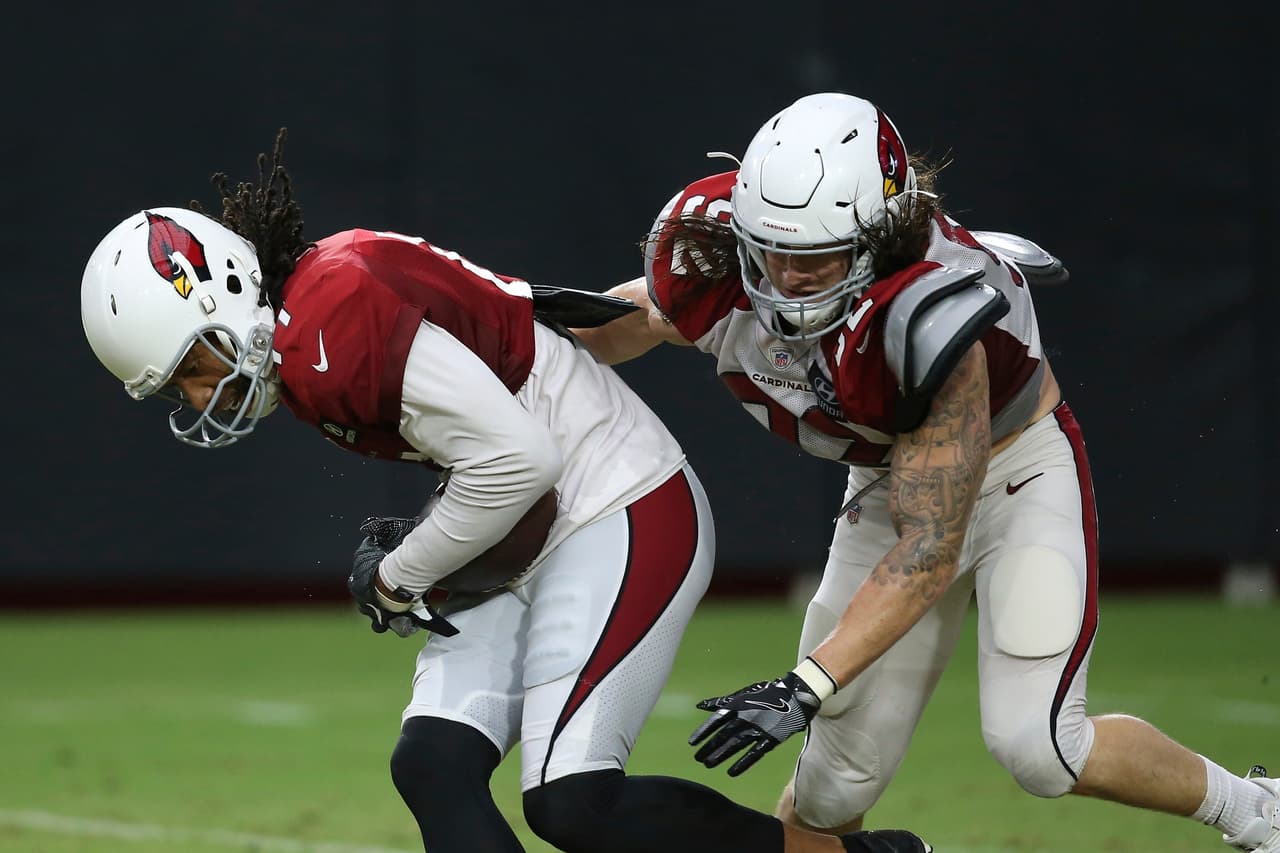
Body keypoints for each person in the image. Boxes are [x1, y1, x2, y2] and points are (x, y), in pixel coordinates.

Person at [78, 130, 932, 853]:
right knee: (433, 765)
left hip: (619, 502)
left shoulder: (328, 320)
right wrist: (429, 548)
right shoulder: (311, 318)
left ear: (226, 291)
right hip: (535, 520)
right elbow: (498, 448)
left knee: (571, 803)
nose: (198, 394)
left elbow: (518, 460)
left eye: (192, 365)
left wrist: (399, 575)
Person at [571, 92, 1280, 852]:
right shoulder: (722, 265)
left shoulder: (931, 319)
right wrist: (520, 348)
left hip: (1013, 473)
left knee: (1042, 745)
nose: (786, 276)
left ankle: (1259, 811)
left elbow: (927, 548)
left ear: (877, 239)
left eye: (815, 257)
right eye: (770, 250)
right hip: (888, 480)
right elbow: (640, 319)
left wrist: (806, 684)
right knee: (833, 784)